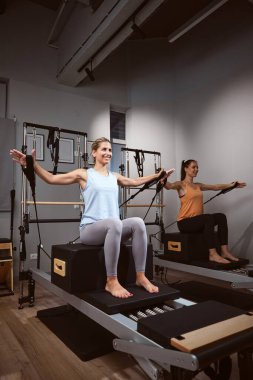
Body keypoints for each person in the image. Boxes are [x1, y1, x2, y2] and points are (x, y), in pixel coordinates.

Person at [10, 137, 174, 298]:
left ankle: (140, 276)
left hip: (112, 228)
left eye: (110, 150)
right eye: (104, 149)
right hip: (90, 230)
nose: (108, 152)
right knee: (115, 223)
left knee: (138, 223)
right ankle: (111, 281)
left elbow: (136, 181)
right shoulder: (84, 174)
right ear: (94, 152)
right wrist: (33, 165)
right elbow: (52, 179)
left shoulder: (114, 176)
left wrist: (157, 176)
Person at [164, 159, 246, 264]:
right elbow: (169, 186)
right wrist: (163, 179)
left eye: (197, 167)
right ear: (186, 168)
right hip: (184, 223)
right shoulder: (181, 185)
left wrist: (232, 185)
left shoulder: (198, 185)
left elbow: (216, 187)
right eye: (194, 167)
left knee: (221, 217)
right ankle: (212, 254)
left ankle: (224, 251)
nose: (196, 169)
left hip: (197, 222)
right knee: (208, 218)